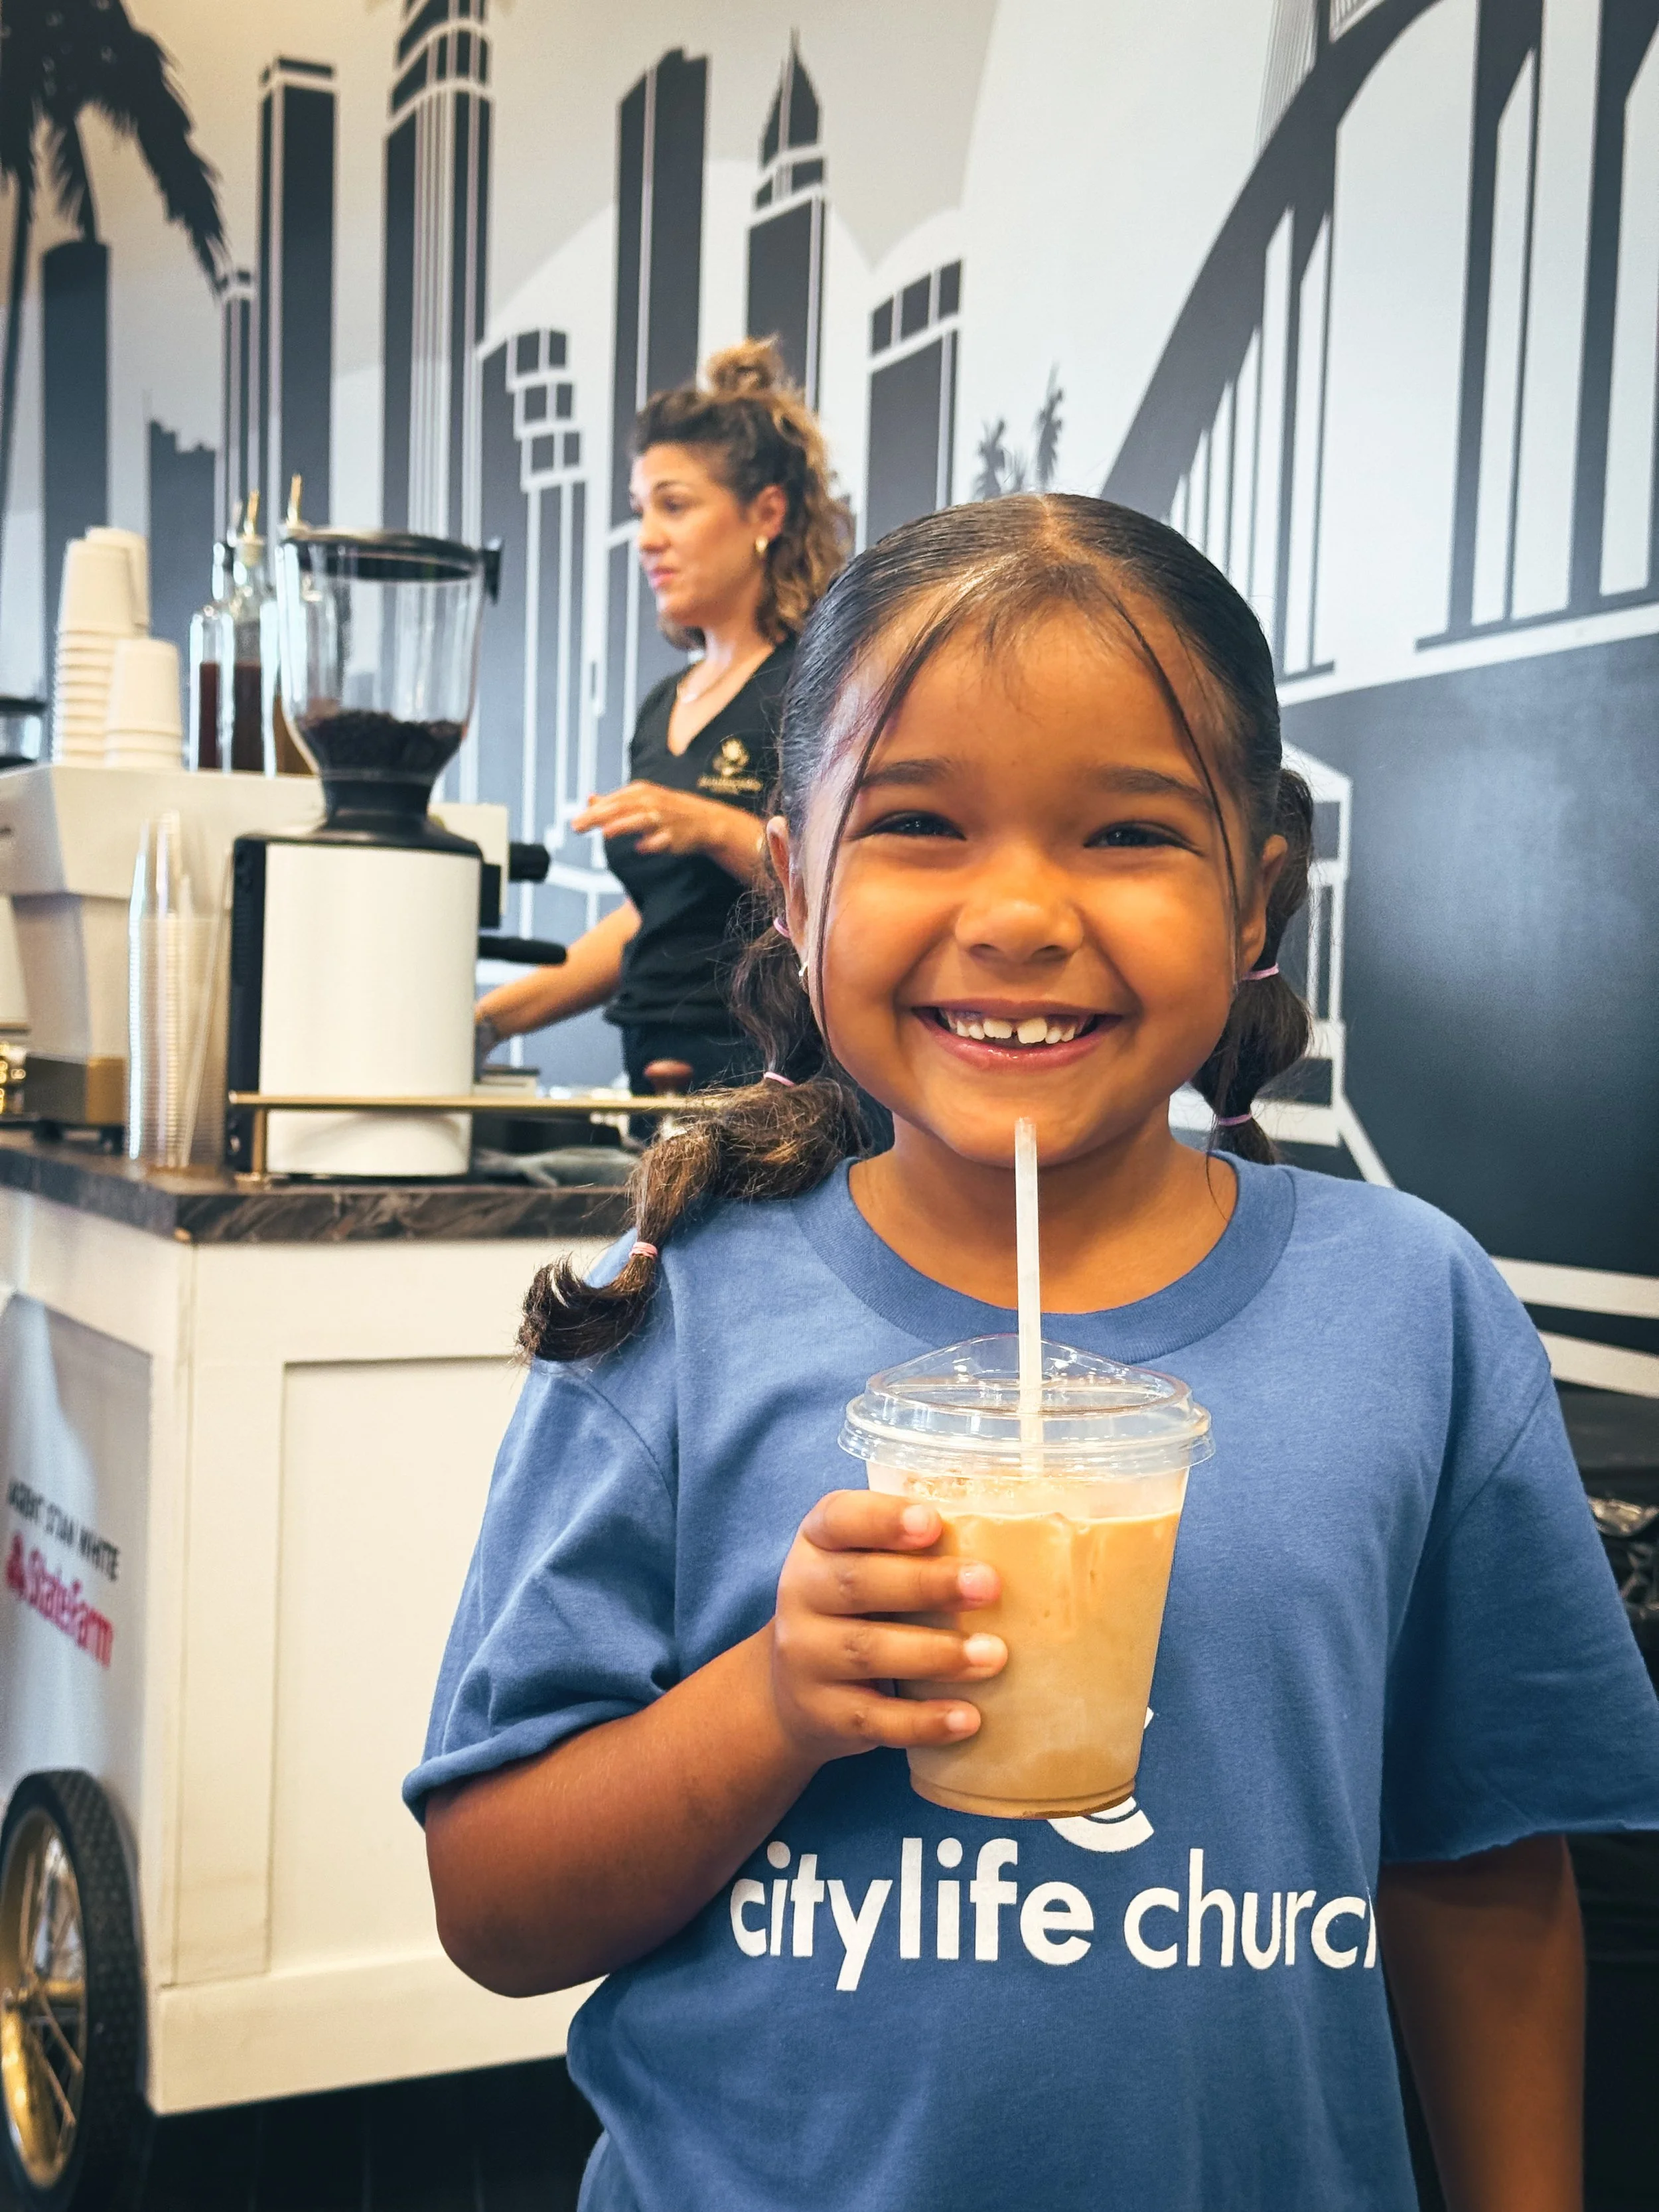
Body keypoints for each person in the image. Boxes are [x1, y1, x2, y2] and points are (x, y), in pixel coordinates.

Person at [408, 496, 1659, 2212]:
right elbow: (494, 1907)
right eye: (917, 821)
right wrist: (773, 1699)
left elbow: (1483, 1867)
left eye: (1126, 831)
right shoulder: (685, 1304)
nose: (1014, 911)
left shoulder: (1411, 1309)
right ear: (793, 877)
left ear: (1255, 893)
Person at [474, 339, 851, 1096]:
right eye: (641, 511)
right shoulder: (661, 709)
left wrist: (709, 825)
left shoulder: (818, 683)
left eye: (674, 506)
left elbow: (845, 886)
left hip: (773, 1087)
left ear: (766, 512)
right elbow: (649, 921)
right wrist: (485, 1024)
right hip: (653, 1084)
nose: (647, 538)